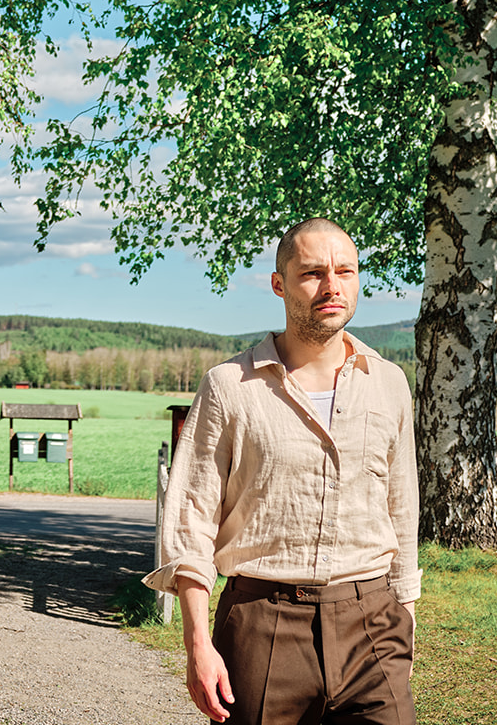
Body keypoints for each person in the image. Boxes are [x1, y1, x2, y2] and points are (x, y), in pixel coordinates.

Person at [145, 218, 419, 725]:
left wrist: (406, 615)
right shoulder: (229, 387)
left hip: (374, 624)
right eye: (312, 273)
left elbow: (402, 509)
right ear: (279, 284)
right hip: (262, 626)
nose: (332, 286)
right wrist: (198, 645)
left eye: (345, 271)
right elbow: (190, 524)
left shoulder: (389, 384)